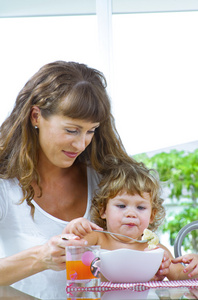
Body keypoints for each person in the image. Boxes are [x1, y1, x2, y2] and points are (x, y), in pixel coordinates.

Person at [0, 61, 139, 299]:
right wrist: (41, 257)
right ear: (36, 116)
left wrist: (179, 267)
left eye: (91, 130)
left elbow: (137, 246)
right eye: (72, 130)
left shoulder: (105, 182)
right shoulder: (5, 185)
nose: (81, 143)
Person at [65, 156, 198, 281]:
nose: (131, 214)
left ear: (152, 215)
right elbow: (71, 247)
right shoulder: (96, 238)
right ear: (103, 210)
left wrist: (193, 268)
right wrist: (75, 228)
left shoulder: (155, 250)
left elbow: (180, 276)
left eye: (140, 208)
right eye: (121, 205)